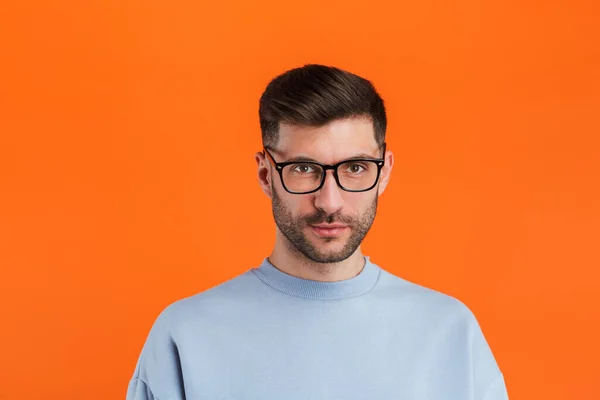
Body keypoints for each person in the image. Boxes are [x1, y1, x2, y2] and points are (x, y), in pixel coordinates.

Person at [126, 64, 509, 400]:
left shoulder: (449, 332)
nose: (330, 201)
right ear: (265, 174)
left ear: (385, 171)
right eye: (303, 169)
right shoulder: (186, 336)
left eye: (355, 168)